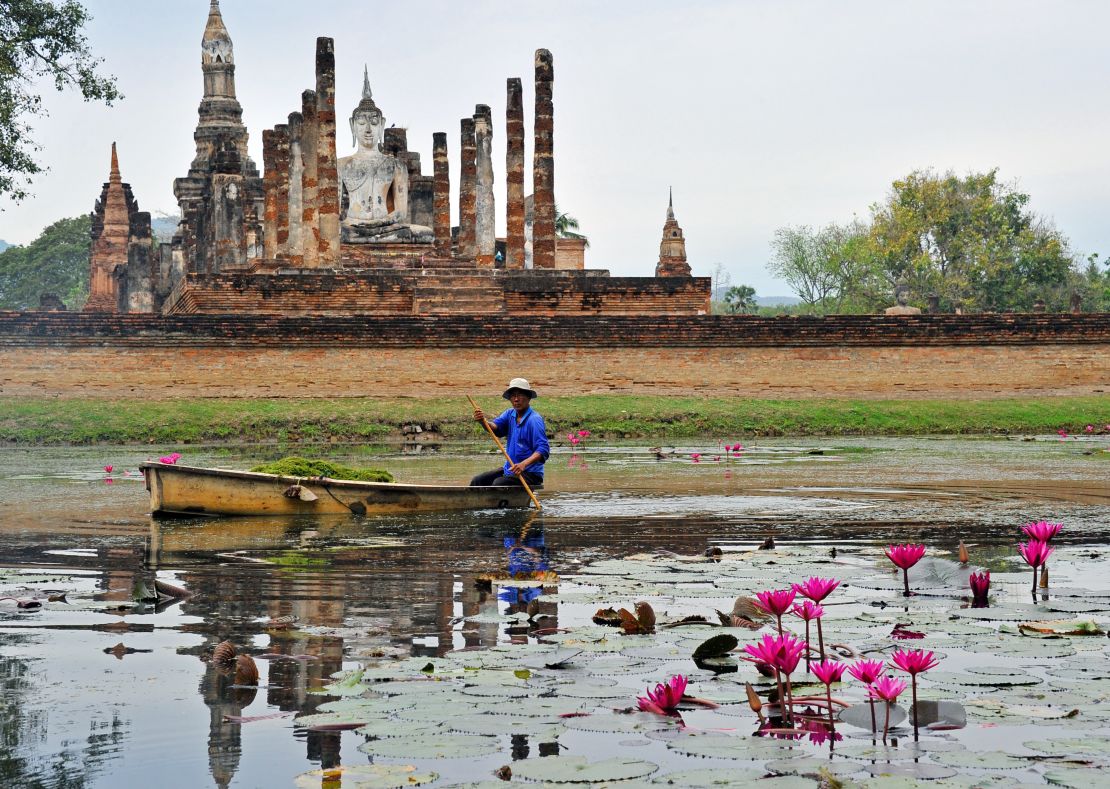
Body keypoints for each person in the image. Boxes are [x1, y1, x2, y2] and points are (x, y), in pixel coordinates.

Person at [470, 378, 549, 489]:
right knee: (478, 480)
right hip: (511, 470)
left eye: (520, 395)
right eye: (513, 396)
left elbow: (543, 449)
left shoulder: (534, 420)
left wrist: (523, 464)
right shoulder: (509, 414)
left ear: (528, 397)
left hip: (530, 473)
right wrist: (483, 421)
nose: (516, 399)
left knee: (498, 484)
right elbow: (495, 428)